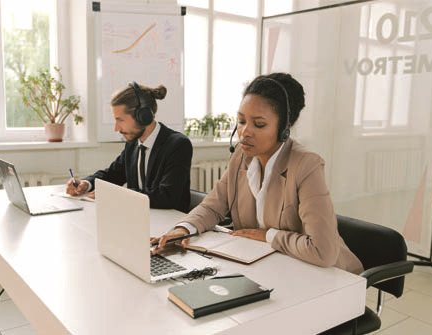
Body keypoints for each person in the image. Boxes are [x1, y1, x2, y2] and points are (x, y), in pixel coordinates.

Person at [151, 73, 363, 274]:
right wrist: (183, 229)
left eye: (259, 124)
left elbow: (322, 251)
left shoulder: (306, 165)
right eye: (241, 121)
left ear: (284, 129)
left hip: (327, 276)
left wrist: (269, 236)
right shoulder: (241, 157)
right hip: (271, 267)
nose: (245, 132)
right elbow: (213, 206)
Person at [66, 81, 192, 213]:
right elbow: (113, 175)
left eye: (120, 120)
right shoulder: (133, 144)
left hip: (169, 223)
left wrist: (117, 195)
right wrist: (87, 184)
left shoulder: (178, 145)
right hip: (138, 217)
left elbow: (167, 197)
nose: (116, 128)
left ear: (143, 116)